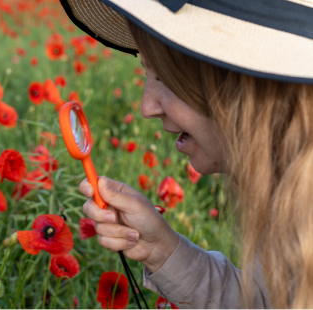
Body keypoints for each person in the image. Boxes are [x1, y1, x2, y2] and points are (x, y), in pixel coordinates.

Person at [60, 0, 313, 308]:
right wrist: (161, 250)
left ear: (242, 91)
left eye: (163, 79)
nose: (146, 108)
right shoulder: (287, 188)